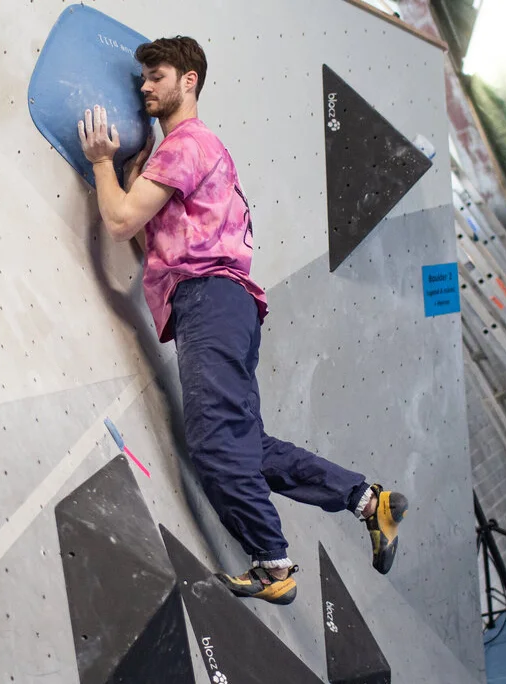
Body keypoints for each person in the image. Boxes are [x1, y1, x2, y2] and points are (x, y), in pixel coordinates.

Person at [75, 35, 407, 606]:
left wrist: (103, 164)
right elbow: (150, 241)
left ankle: (273, 564)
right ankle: (365, 500)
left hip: (208, 300)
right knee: (243, 442)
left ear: (189, 81)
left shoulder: (185, 145)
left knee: (214, 444)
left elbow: (121, 222)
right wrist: (133, 178)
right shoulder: (199, 152)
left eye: (157, 76)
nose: (146, 87)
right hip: (225, 305)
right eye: (143, 79)